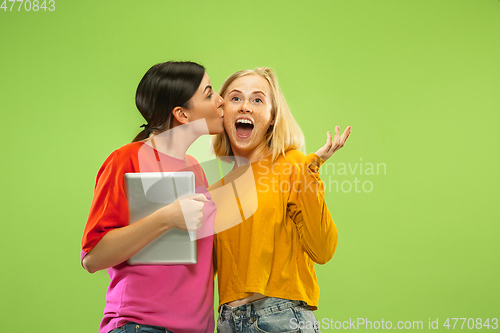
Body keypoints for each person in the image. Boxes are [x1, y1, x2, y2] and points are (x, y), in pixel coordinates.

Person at [81, 61, 225, 333]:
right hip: (142, 327)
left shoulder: (196, 169)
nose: (221, 101)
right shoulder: (125, 160)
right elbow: (93, 258)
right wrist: (167, 217)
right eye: (209, 94)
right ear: (182, 114)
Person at [210, 67, 351, 333]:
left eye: (258, 100)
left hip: (280, 317)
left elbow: (323, 250)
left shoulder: (294, 164)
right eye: (236, 98)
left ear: (273, 118)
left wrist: (309, 174)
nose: (245, 108)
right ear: (222, 112)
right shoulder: (218, 186)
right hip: (227, 321)